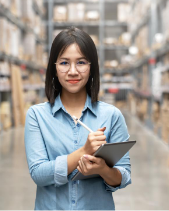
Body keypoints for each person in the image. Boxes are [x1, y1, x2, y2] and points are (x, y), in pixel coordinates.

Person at [24, 27, 131, 210]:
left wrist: (102, 170)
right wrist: (83, 152)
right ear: (54, 67)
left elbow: (124, 176)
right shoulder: (37, 116)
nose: (73, 71)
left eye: (81, 62)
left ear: (91, 67)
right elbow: (39, 174)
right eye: (64, 63)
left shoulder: (111, 116)